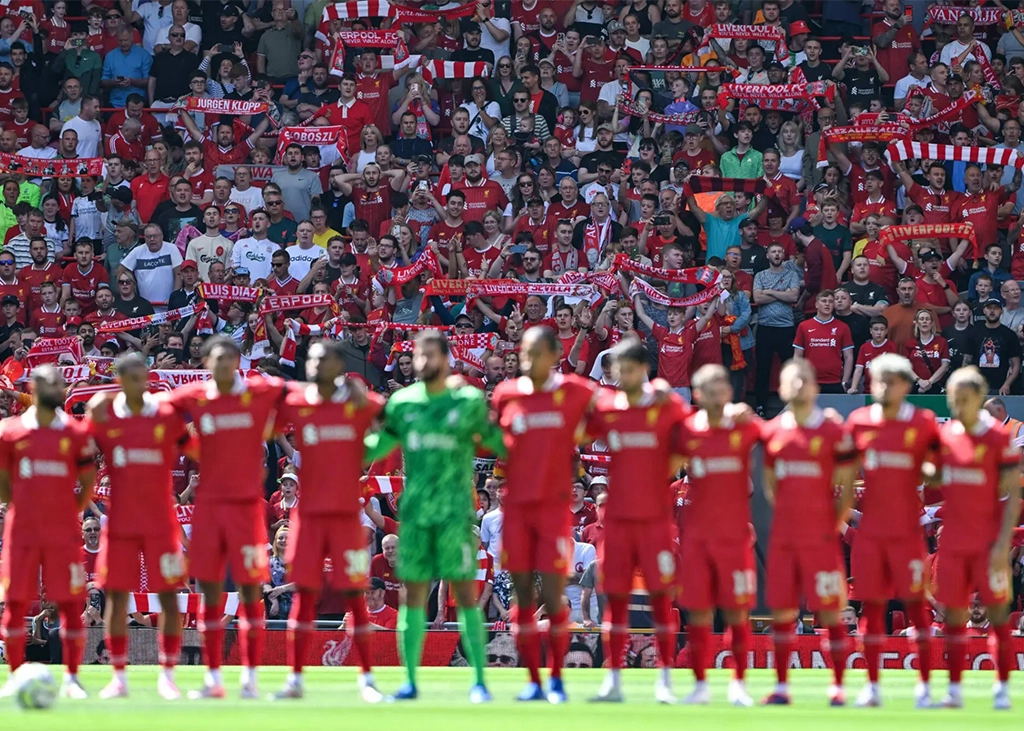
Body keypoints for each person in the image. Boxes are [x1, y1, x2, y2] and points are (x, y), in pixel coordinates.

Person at [363, 330, 504, 703]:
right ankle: (409, 681)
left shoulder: (467, 400)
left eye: (430, 355)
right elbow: (379, 447)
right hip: (416, 516)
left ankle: (479, 682)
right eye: (418, 355)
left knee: (465, 595)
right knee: (412, 597)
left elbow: (496, 442)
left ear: (446, 359)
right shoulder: (402, 402)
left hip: (455, 514)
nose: (423, 361)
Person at [165, 336, 286, 699]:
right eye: (216, 359)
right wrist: (189, 445)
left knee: (250, 594)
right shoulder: (196, 396)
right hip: (209, 509)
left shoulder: (257, 393)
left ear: (237, 362)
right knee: (209, 593)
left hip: (246, 508)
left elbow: (292, 395)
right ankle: (213, 677)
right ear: (206, 362)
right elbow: (161, 410)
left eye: (229, 358)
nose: (223, 364)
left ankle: (250, 677)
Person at [271, 340, 385, 703]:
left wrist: (366, 454)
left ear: (338, 365)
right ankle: (295, 679)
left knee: (355, 597)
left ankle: (367, 680)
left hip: (345, 517)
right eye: (312, 360)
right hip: (308, 518)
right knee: (304, 596)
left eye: (324, 359)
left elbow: (390, 422)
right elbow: (269, 417)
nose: (316, 365)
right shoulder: (297, 400)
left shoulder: (357, 402)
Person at [491, 326, 598, 703]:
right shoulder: (506, 393)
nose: (528, 358)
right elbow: (500, 441)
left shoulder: (576, 391)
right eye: (525, 352)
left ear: (554, 355)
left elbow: (601, 419)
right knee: (522, 598)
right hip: (517, 512)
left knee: (554, 598)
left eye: (536, 352)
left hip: (553, 510)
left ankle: (555, 679)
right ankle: (534, 681)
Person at [584, 338, 687, 704]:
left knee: (660, 598)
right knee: (615, 598)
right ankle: (612, 679)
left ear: (643, 369)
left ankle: (664, 679)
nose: (622, 375)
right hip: (620, 516)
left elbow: (684, 443)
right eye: (618, 369)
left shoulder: (665, 404)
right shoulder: (607, 406)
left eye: (628, 369)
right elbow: (582, 435)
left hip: (654, 515)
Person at [85, 353, 188, 700]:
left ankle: (168, 676)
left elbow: (192, 447)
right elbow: (81, 449)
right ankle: (118, 676)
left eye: (141, 375)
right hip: (121, 523)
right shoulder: (105, 414)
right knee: (116, 597)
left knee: (168, 596)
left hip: (160, 521)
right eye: (129, 376)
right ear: (120, 380)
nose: (137, 382)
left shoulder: (165, 414)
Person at [845, 353, 940, 708]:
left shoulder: (924, 422)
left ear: (904, 385)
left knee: (917, 608)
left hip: (907, 533)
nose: (882, 387)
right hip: (871, 534)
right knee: (871, 609)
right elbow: (844, 472)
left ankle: (925, 686)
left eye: (889, 381)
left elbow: (938, 470)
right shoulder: (858, 422)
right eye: (877, 381)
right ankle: (871, 685)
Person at [762, 359, 855, 706]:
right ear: (782, 388)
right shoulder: (773, 431)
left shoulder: (832, 431)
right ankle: (781, 687)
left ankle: (839, 686)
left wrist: (830, 523)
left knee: (831, 611)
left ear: (815, 386)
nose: (799, 386)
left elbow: (847, 486)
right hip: (785, 538)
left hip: (820, 537)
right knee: (783, 611)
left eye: (805, 379)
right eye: (793, 381)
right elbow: (770, 484)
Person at [0, 365, 96, 700]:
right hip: (22, 531)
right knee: (14, 602)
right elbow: (2, 480)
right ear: (34, 388)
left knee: (69, 602)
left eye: (59, 382)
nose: (56, 387)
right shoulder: (9, 431)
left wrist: (68, 511)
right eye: (49, 383)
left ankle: (73, 678)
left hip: (62, 532)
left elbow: (87, 480)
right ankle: (14, 676)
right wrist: (20, 507)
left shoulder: (76, 432)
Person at [675, 364, 762, 706]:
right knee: (699, 613)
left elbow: (780, 437)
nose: (717, 394)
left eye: (722, 387)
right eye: (709, 389)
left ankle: (738, 684)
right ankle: (700, 684)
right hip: (698, 539)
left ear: (729, 391)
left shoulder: (744, 424)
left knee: (738, 612)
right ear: (697, 394)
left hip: (734, 537)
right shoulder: (686, 430)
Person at [934, 366, 1020, 709]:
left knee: (997, 616)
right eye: (954, 397)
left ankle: (1002, 688)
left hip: (988, 541)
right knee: (955, 618)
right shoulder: (945, 435)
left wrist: (1002, 544)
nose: (958, 403)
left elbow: (1012, 496)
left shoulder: (998, 438)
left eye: (965, 397)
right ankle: (954, 690)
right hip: (954, 543)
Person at [793, 290, 855, 394]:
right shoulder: (804, 326)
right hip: (810, 381)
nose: (827, 304)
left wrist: (844, 382)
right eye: (824, 301)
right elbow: (798, 356)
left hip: (834, 381)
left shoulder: (843, 327)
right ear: (816, 304)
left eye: (830, 301)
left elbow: (848, 357)